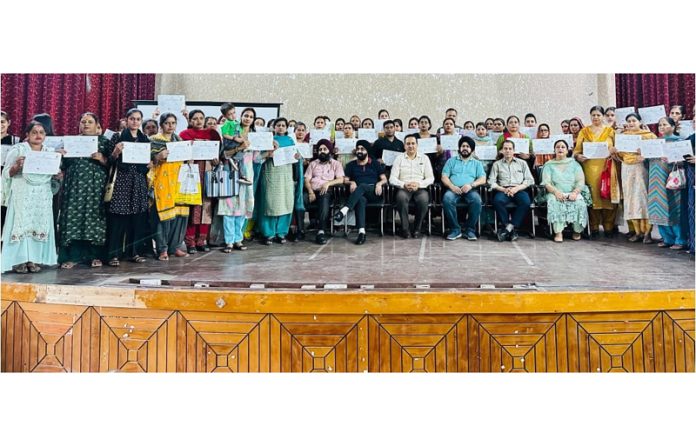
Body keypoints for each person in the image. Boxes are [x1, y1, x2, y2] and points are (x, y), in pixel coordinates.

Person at [1, 121, 60, 273]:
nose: (38, 135)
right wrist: (17, 166)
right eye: (34, 132)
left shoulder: (49, 152)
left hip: (41, 194)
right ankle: (18, 260)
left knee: (38, 223)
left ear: (45, 135)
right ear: (27, 135)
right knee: (21, 223)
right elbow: (7, 173)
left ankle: (33, 259)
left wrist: (58, 174)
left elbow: (54, 176)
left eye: (41, 132)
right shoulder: (18, 149)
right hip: (22, 192)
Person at [58, 113, 113, 269]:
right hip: (74, 189)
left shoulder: (104, 142)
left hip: (96, 190)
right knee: (72, 220)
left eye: (90, 122)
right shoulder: (70, 142)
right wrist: (60, 156)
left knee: (95, 221)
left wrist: (102, 159)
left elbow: (114, 164)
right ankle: (72, 257)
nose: (86, 124)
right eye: (83, 122)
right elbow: (61, 166)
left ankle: (94, 256)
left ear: (97, 126)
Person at [106, 108, 152, 266]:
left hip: (138, 182)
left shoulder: (144, 139)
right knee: (118, 220)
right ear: (126, 120)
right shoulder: (117, 137)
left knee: (137, 220)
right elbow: (109, 162)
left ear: (141, 121)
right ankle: (114, 255)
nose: (135, 122)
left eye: (138, 119)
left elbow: (146, 165)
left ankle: (135, 252)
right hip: (121, 182)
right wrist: (115, 153)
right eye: (132, 119)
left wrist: (150, 164)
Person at [148, 113, 191, 261]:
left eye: (173, 123)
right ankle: (162, 249)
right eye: (167, 123)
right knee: (162, 216)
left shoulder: (179, 141)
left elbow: (185, 159)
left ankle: (175, 247)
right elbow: (147, 161)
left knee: (179, 215)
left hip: (178, 181)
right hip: (161, 182)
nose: (170, 126)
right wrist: (157, 157)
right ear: (161, 125)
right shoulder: (153, 141)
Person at [179, 109, 222, 253]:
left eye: (201, 118)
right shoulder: (184, 135)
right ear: (190, 120)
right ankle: (190, 242)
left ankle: (201, 240)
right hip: (192, 176)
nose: (198, 121)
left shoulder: (212, 134)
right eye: (195, 118)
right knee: (192, 209)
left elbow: (218, 156)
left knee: (207, 209)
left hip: (208, 175)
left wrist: (216, 162)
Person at [573, 106, 619, 238]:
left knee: (608, 194)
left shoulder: (610, 131)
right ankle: (593, 227)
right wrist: (578, 156)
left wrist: (614, 151)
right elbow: (577, 150)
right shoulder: (584, 131)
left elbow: (618, 148)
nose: (596, 117)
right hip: (589, 168)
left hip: (607, 167)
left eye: (598, 115)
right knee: (593, 195)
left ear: (603, 116)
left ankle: (609, 225)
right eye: (593, 115)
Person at [218, 107, 256, 252]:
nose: (248, 118)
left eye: (251, 116)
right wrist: (239, 147)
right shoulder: (232, 130)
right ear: (240, 116)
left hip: (247, 174)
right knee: (229, 207)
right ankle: (228, 241)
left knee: (243, 207)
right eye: (245, 115)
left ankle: (238, 239)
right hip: (230, 172)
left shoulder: (255, 136)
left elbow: (257, 158)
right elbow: (225, 154)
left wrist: (270, 152)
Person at [334, 140, 387, 245]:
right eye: (358, 149)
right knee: (361, 200)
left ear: (367, 151)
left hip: (374, 192)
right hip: (358, 194)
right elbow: (345, 180)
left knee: (362, 186)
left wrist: (379, 184)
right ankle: (361, 232)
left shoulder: (375, 163)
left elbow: (384, 179)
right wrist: (351, 182)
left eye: (362, 149)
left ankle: (344, 210)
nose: (359, 151)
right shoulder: (351, 165)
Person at [256, 118, 297, 245]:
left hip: (286, 175)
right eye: (278, 125)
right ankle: (269, 233)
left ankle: (281, 232)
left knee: (286, 203)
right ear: (274, 127)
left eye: (283, 125)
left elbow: (295, 157)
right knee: (270, 204)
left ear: (286, 127)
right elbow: (258, 158)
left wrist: (297, 157)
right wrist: (267, 154)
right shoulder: (268, 140)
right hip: (271, 174)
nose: (280, 127)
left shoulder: (290, 140)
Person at [618, 112, 657, 243]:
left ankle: (647, 232)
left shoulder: (649, 136)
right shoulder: (622, 136)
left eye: (634, 121)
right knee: (630, 199)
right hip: (627, 168)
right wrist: (613, 152)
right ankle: (638, 232)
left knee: (642, 198)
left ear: (640, 122)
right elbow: (620, 155)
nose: (631, 123)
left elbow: (656, 152)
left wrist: (644, 153)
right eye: (628, 121)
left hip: (641, 168)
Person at [648, 117, 685, 250]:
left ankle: (680, 239)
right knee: (658, 206)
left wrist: (672, 159)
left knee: (674, 207)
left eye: (665, 125)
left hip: (671, 180)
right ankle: (666, 238)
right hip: (655, 180)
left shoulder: (679, 141)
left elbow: (684, 160)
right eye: (659, 125)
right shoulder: (654, 142)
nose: (661, 127)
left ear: (673, 127)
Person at [542, 140, 589, 242]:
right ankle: (558, 233)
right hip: (554, 192)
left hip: (572, 192)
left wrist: (575, 193)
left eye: (563, 147)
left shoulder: (575, 164)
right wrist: (556, 192)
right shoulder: (549, 165)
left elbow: (580, 181)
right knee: (554, 202)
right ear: (554, 150)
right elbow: (546, 183)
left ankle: (577, 231)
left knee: (579, 203)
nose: (560, 149)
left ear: (567, 151)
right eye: (557, 147)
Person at [488, 139, 535, 242]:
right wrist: (503, 189)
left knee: (526, 202)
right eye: (505, 148)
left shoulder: (522, 163)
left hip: (518, 189)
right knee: (497, 201)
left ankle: (508, 228)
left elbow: (530, 180)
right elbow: (491, 181)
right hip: (503, 189)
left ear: (514, 151)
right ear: (501, 151)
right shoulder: (497, 164)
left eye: (510, 149)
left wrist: (516, 188)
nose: (508, 151)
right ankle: (509, 228)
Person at [441, 136, 486, 241]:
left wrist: (471, 185)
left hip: (470, 189)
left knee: (477, 200)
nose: (465, 148)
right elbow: (444, 177)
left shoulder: (477, 163)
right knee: (447, 199)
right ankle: (455, 229)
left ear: (472, 150)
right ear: (459, 148)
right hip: (453, 189)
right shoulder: (451, 161)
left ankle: (469, 230)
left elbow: (483, 178)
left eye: (468, 146)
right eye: (463, 146)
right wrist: (452, 186)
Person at [389, 134, 434, 238]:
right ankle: (405, 229)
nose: (411, 146)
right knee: (400, 197)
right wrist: (403, 184)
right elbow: (392, 178)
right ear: (404, 146)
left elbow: (430, 178)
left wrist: (419, 184)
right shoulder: (399, 158)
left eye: (413, 143)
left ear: (417, 145)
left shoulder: (424, 158)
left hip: (420, 188)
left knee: (423, 200)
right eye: (408, 144)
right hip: (404, 187)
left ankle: (417, 228)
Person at [304, 139, 344, 245]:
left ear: (329, 151)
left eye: (325, 149)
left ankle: (321, 232)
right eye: (320, 149)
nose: (322, 151)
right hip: (311, 191)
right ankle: (299, 230)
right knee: (299, 202)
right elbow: (306, 180)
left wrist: (328, 183)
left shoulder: (336, 164)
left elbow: (341, 179)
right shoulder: (313, 164)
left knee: (324, 201)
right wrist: (310, 191)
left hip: (326, 191)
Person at [218, 102, 251, 184]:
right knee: (241, 153)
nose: (233, 115)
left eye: (234, 113)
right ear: (225, 116)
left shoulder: (236, 122)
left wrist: (242, 139)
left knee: (242, 157)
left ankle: (242, 175)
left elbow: (240, 132)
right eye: (230, 114)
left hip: (235, 141)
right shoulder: (227, 123)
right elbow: (224, 134)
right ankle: (235, 160)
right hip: (229, 142)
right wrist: (235, 138)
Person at [1, 111, 21, 233]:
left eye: (2, 122)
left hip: (7, 181)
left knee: (5, 212)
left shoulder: (16, 141)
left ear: (8, 123)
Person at [416, 115, 447, 181]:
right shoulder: (414, 136)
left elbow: (437, 155)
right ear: (418, 125)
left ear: (429, 125)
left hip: (431, 164)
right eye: (421, 122)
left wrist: (439, 152)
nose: (423, 124)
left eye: (426, 122)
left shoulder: (434, 138)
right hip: (417, 164)